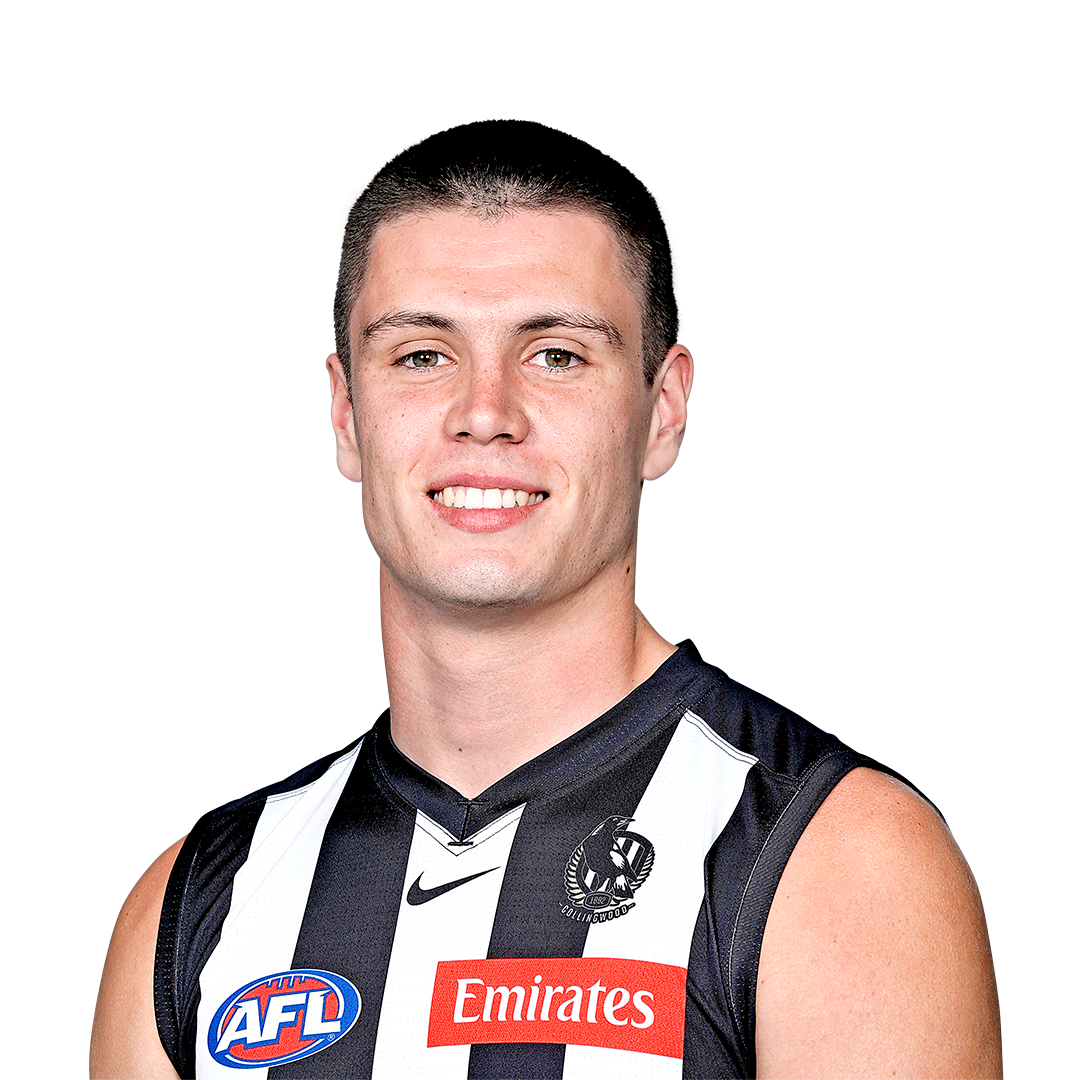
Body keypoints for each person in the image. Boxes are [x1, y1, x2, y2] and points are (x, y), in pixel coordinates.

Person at [90, 119, 1001, 1080]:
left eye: (556, 354)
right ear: (347, 414)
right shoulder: (195, 908)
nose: (485, 413)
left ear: (663, 409)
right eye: (422, 355)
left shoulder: (836, 863)